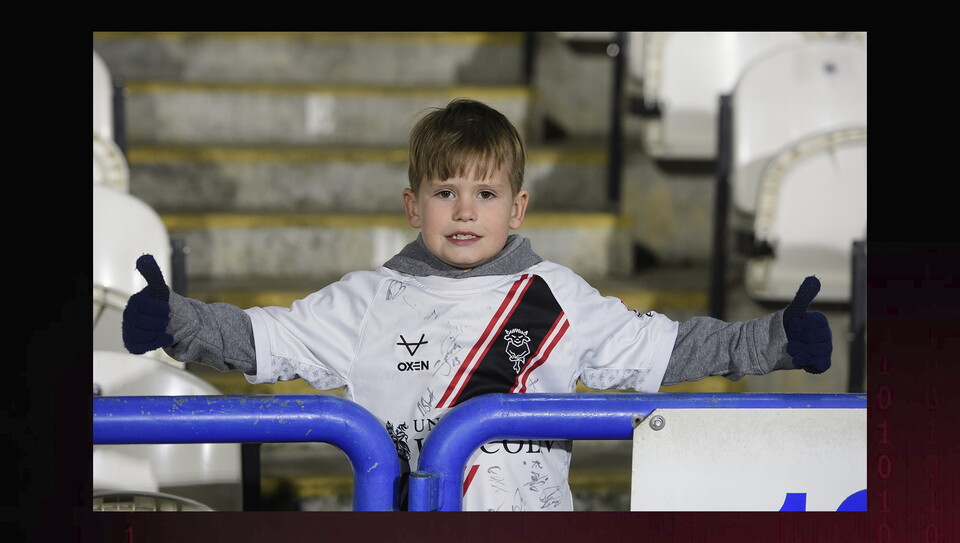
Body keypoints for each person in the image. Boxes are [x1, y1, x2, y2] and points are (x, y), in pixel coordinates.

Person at [121, 98, 832, 512]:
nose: (465, 211)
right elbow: (260, 338)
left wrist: (773, 339)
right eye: (445, 192)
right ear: (412, 205)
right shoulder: (365, 300)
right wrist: (177, 321)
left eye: (485, 193)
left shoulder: (557, 297)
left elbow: (668, 351)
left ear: (517, 208)